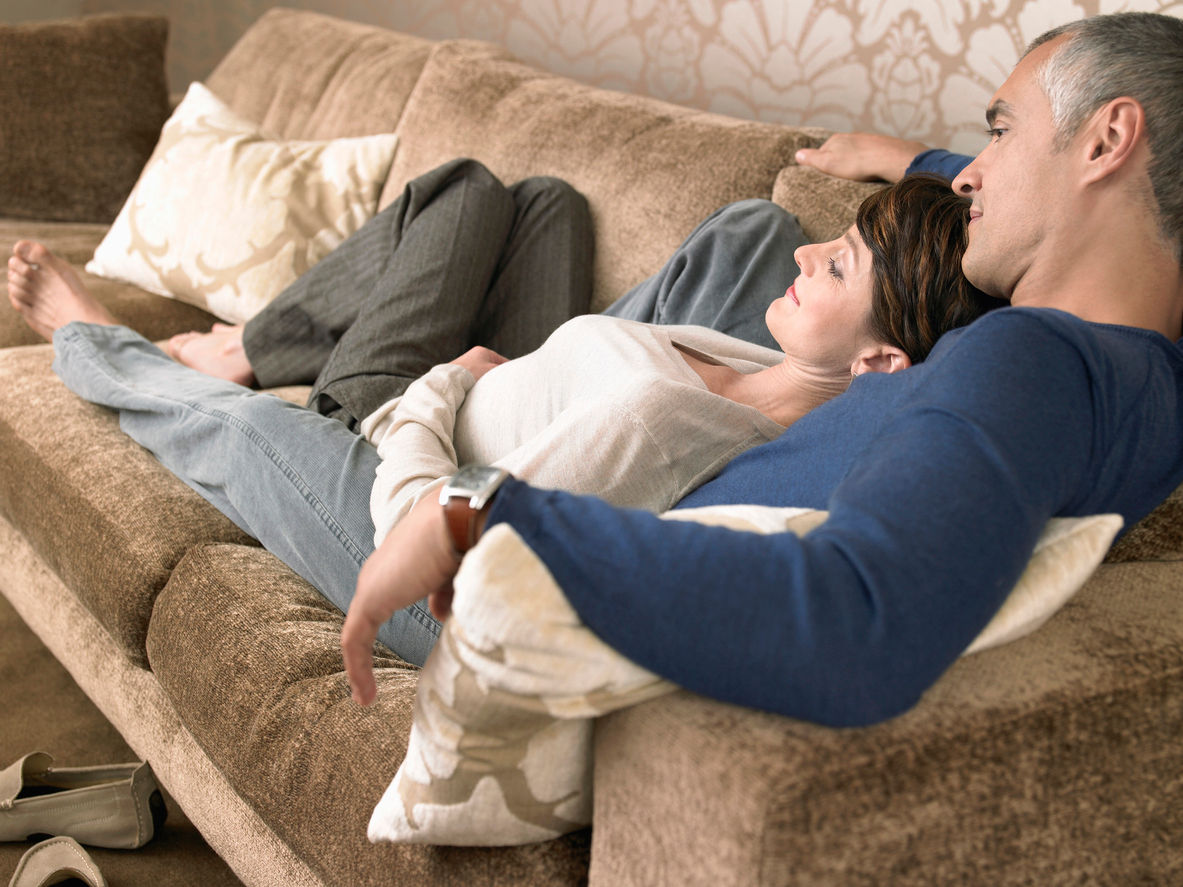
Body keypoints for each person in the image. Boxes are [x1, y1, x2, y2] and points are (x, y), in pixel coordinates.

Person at [339, 12, 1183, 727]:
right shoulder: (1147, 375)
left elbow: (855, 626)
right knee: (734, 235)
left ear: (1106, 139)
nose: (969, 172)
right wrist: (912, 158)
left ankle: (321, 387)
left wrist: (478, 512)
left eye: (998, 131)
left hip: (530, 562)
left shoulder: (1025, 357)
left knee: (215, 417)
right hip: (676, 463)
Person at [7, 173, 998, 667]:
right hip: (509, 395)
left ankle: (118, 343)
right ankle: (249, 341)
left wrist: (439, 385)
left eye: (835, 266)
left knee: (240, 426)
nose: (803, 255)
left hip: (391, 450)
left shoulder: (664, 423)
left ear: (879, 361)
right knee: (540, 202)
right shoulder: (776, 367)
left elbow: (427, 530)